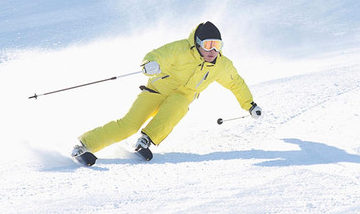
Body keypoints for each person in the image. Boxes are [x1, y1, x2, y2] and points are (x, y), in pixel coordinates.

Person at [71, 21, 262, 165]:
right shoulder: (180, 49)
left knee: (179, 104)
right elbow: (158, 55)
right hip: (156, 91)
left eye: (217, 45)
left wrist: (250, 104)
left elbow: (236, 83)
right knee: (129, 125)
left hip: (180, 98)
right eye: (208, 45)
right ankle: (83, 146)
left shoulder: (221, 65)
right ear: (197, 43)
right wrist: (150, 65)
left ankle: (145, 141)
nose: (213, 51)